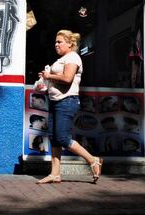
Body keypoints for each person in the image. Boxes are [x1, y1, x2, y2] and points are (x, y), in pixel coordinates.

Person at [35, 29, 103, 184]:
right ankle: (55, 174)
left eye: (59, 42)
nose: (56, 44)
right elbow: (56, 81)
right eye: (55, 42)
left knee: (63, 138)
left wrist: (48, 76)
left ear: (70, 43)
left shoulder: (73, 57)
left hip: (67, 101)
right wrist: (44, 85)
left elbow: (67, 78)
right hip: (56, 101)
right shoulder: (62, 59)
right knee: (54, 139)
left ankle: (93, 160)